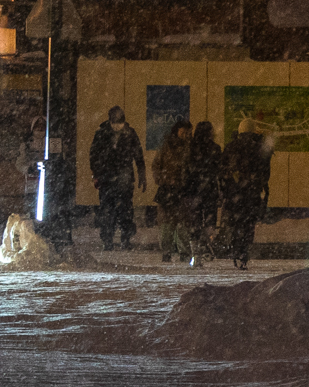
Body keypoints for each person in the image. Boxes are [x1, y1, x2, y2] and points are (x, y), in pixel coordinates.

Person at [89, 107, 147, 251]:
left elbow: (138, 155)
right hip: (107, 178)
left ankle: (125, 239)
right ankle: (108, 239)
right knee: (108, 211)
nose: (116, 125)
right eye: (114, 122)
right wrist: (97, 173)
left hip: (124, 178)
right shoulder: (102, 134)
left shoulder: (130, 134)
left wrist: (142, 174)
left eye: (119, 122)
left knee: (125, 210)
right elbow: (94, 156)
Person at [218, 120, 273, 269]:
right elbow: (265, 170)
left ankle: (236, 248)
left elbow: (222, 170)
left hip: (235, 192)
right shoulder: (259, 147)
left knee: (236, 222)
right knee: (249, 223)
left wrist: (228, 185)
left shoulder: (231, 146)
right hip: (252, 192)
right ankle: (244, 253)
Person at [181, 121, 223, 267]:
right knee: (210, 220)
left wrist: (185, 189)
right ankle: (205, 244)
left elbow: (185, 170)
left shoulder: (190, 148)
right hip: (209, 190)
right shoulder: (215, 149)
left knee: (195, 222)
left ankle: (195, 255)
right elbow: (219, 171)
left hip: (193, 190)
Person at [153, 119, 193, 262]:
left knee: (181, 223)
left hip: (182, 190)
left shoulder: (190, 147)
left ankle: (181, 252)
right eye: (183, 132)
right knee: (168, 224)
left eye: (188, 133)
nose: (186, 135)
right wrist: (164, 179)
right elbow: (156, 165)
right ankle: (168, 251)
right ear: (177, 131)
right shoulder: (167, 146)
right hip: (169, 189)